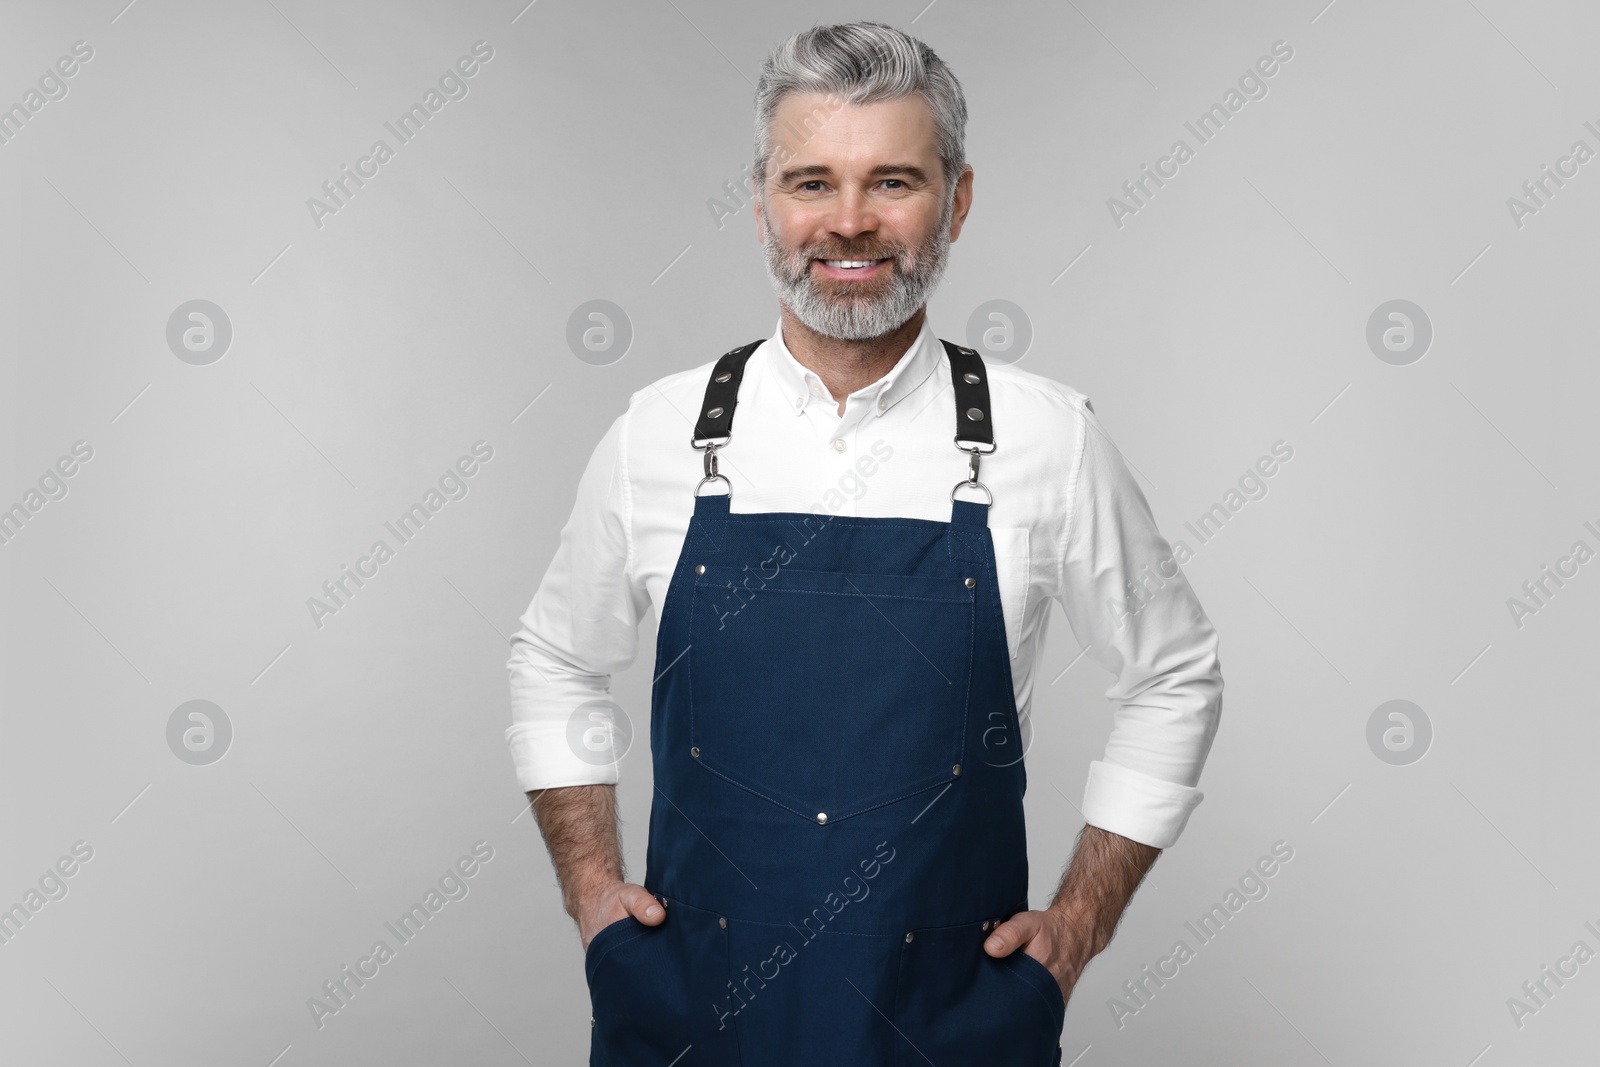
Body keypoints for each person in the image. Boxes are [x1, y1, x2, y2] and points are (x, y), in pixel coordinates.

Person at [506, 20, 1223, 1066]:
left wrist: (1076, 925)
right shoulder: (658, 435)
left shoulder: (1045, 438)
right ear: (760, 202)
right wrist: (591, 896)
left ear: (957, 200)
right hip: (693, 1016)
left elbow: (1175, 673)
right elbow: (555, 658)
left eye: (893, 180)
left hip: (948, 1024)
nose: (849, 221)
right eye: (810, 182)